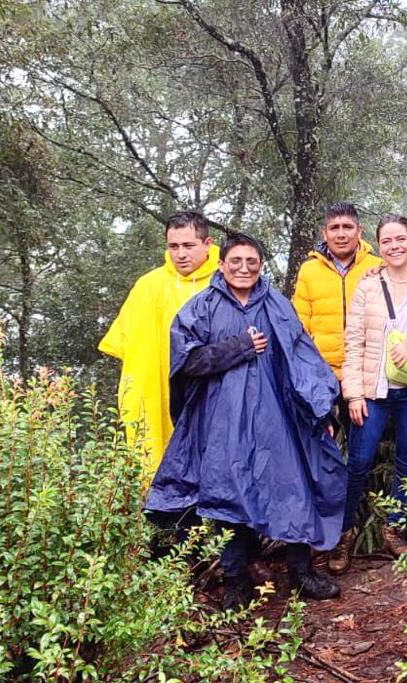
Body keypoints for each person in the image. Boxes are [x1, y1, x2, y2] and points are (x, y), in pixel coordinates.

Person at [146, 233, 347, 610]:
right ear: (221, 264)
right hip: (223, 423)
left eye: (251, 262)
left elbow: (302, 356)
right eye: (235, 261)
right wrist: (237, 347)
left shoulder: (277, 305)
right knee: (230, 498)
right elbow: (185, 362)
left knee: (293, 490)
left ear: (260, 266)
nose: (243, 268)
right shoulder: (200, 308)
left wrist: (321, 411)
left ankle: (301, 574)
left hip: (277, 420)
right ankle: (236, 582)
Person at [329, 215, 407, 572]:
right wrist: (353, 395)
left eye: (401, 239)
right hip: (371, 391)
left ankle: (394, 528)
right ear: (377, 246)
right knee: (359, 462)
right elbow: (352, 344)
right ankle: (345, 532)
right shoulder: (367, 286)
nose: (395, 246)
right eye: (387, 241)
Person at [99, 211, 219, 480]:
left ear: (207, 244)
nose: (181, 254)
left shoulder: (225, 280)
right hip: (159, 392)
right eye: (173, 246)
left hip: (211, 389)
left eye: (188, 246)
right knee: (160, 463)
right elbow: (125, 343)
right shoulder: (148, 285)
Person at [292, 203, 384, 404]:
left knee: (361, 434)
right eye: (334, 228)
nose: (341, 234)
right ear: (324, 233)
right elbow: (299, 323)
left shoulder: (378, 267)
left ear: (359, 231)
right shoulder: (309, 270)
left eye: (347, 227)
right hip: (321, 371)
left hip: (364, 372)